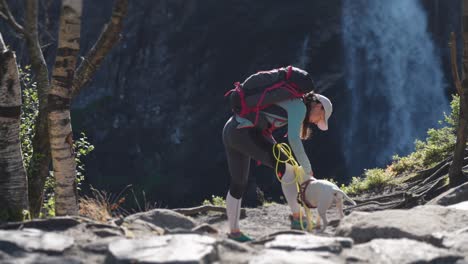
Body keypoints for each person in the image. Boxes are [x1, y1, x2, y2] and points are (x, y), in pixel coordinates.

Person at [222, 66, 333, 242]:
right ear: (318, 106)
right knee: (287, 169)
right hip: (245, 132)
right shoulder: (299, 106)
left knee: (238, 184)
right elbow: (294, 141)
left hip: (232, 129)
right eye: (320, 117)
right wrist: (307, 168)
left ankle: (234, 233)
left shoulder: (291, 101)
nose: (316, 121)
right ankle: (297, 220)